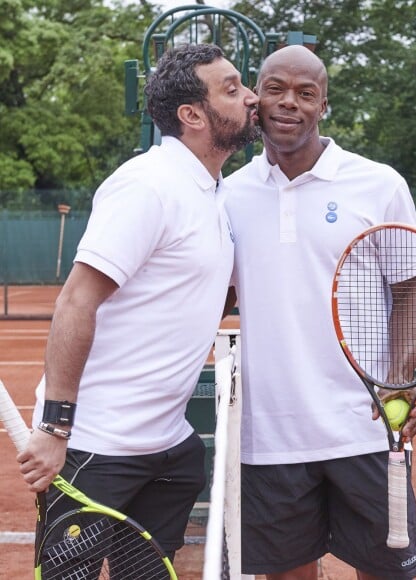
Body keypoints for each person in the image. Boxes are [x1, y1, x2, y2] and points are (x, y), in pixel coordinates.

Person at [17, 43, 260, 564]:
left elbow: (189, 299)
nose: (252, 98)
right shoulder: (147, 187)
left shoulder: (214, 191)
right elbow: (77, 302)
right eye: (233, 89)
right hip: (92, 449)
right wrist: (56, 429)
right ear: (192, 115)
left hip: (169, 450)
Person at [225, 45, 416, 579]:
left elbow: (410, 289)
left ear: (324, 106)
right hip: (268, 434)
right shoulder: (227, 194)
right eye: (276, 89)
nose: (289, 103)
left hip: (364, 426)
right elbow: (215, 295)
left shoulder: (379, 184)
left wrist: (400, 379)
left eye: (305, 93)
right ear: (255, 98)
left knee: (386, 572)